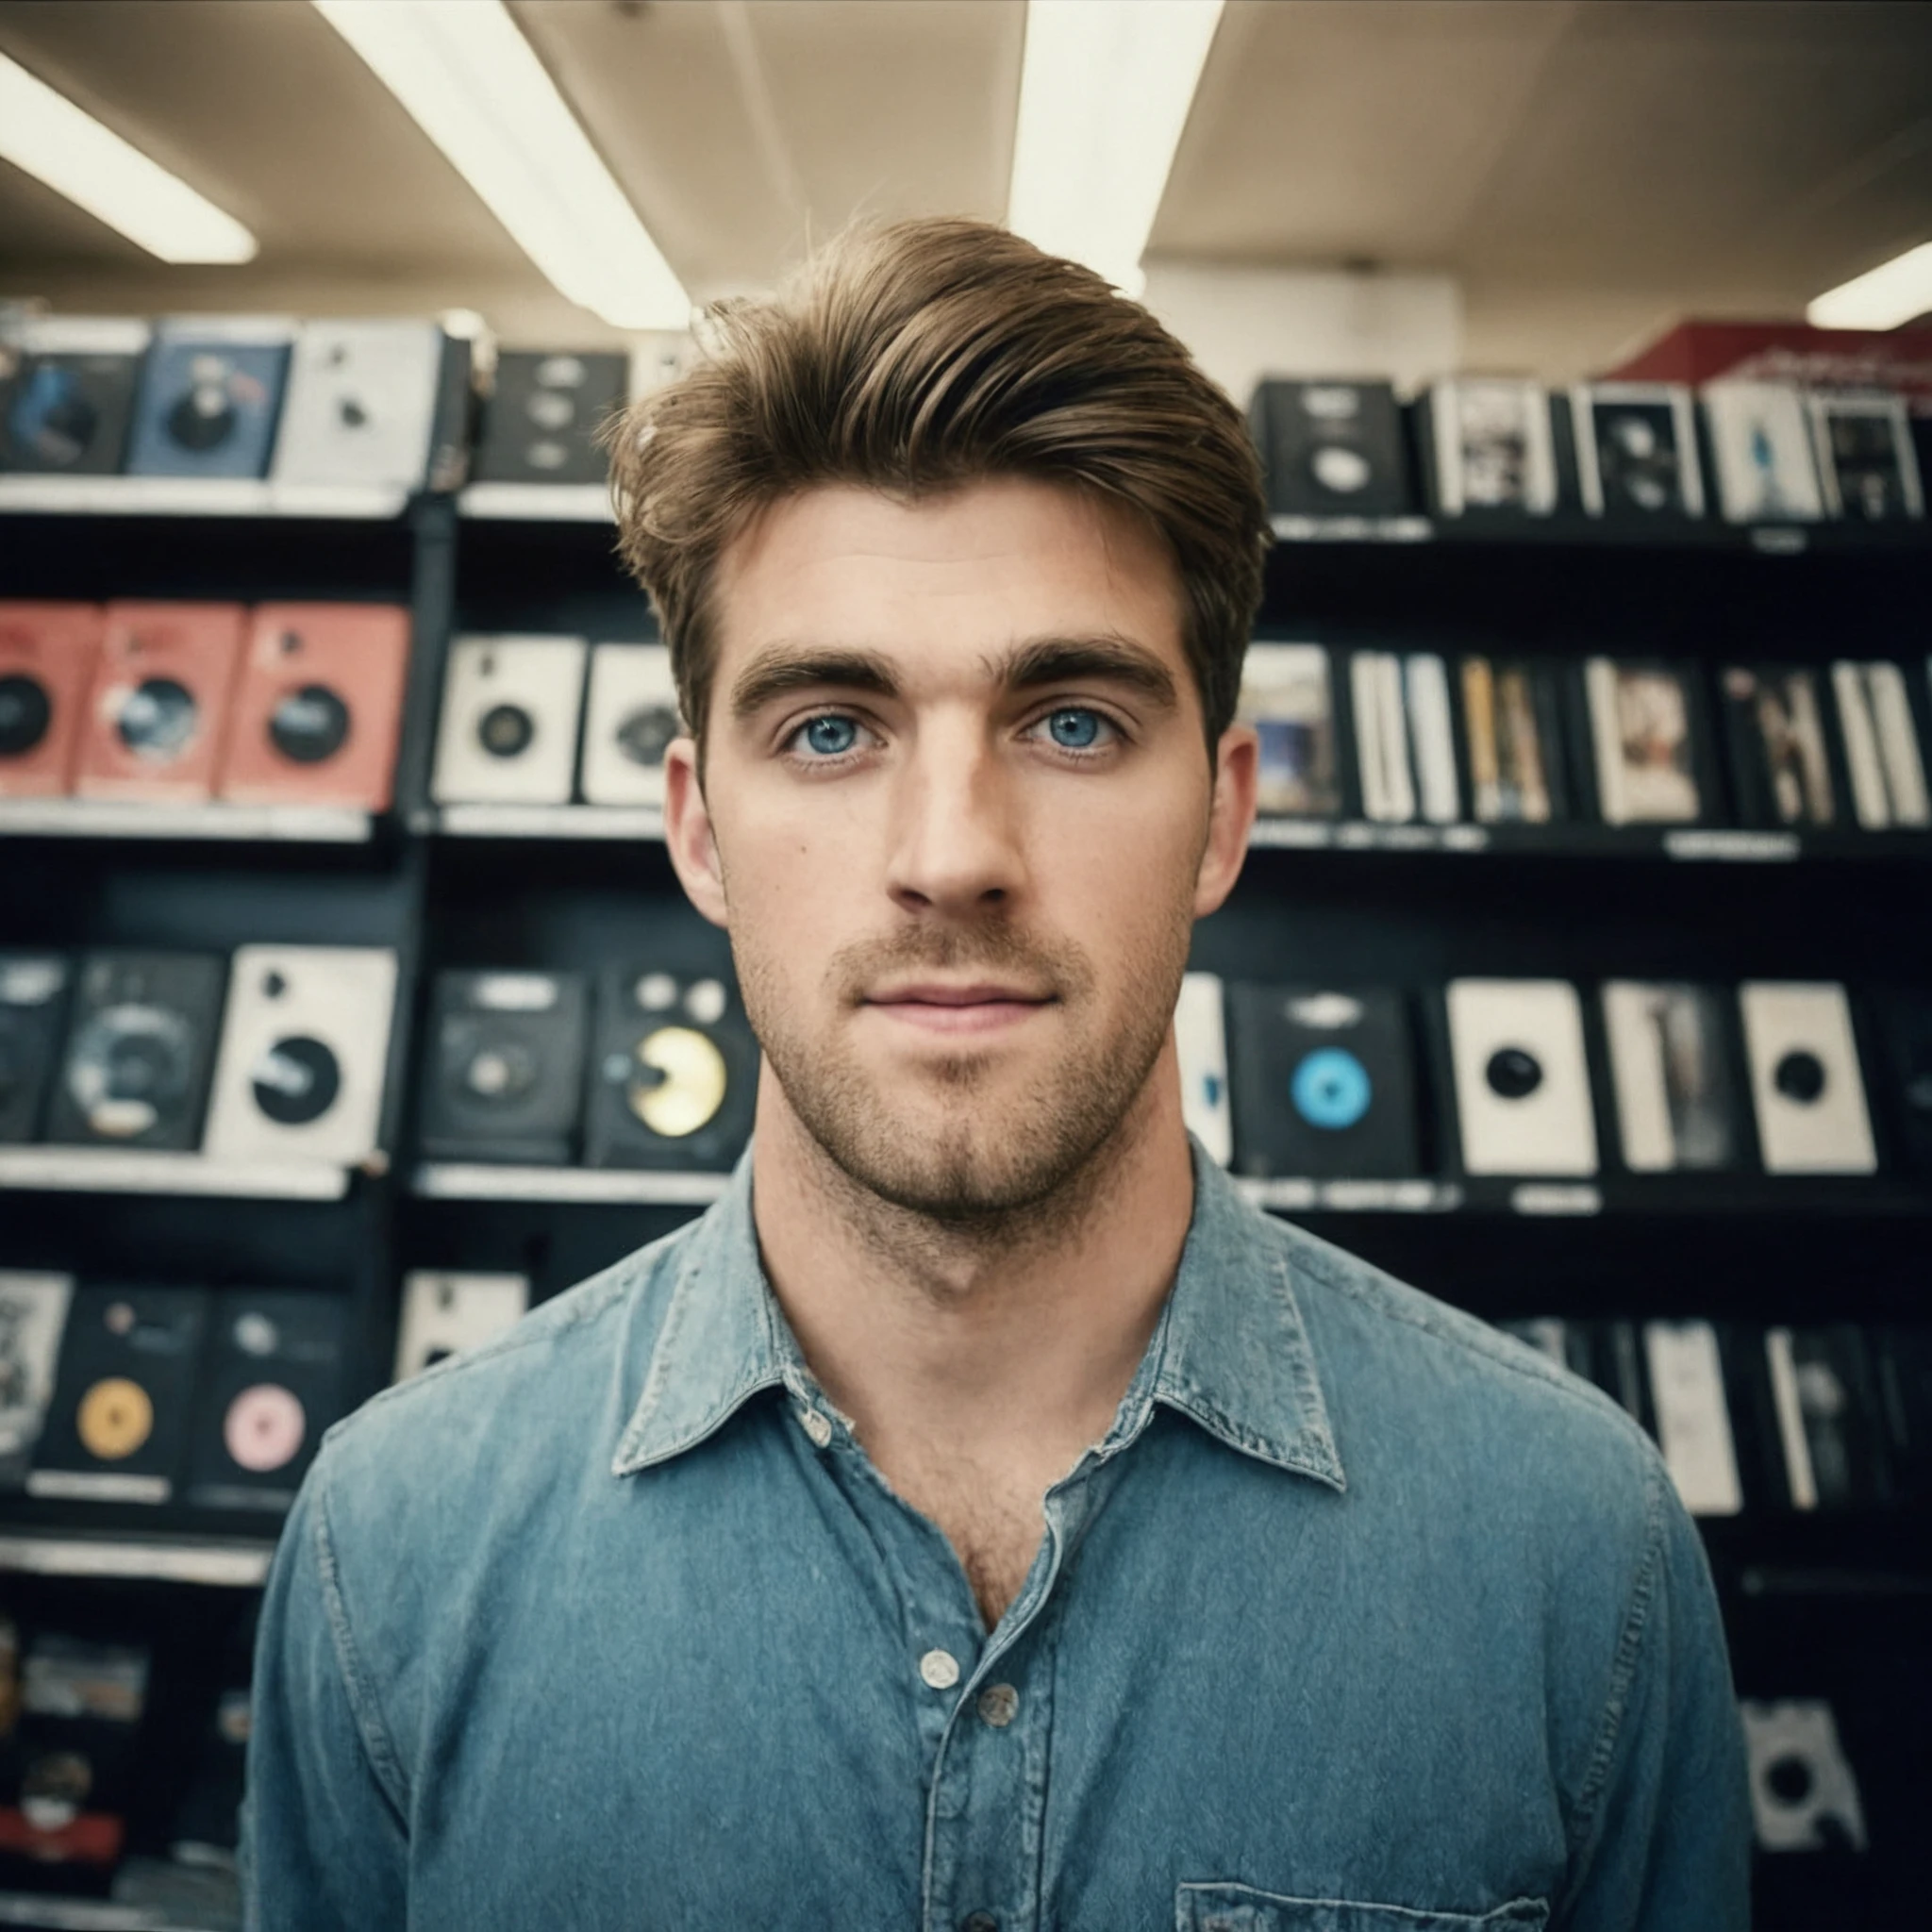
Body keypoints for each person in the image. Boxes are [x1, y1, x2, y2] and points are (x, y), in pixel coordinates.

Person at [242, 219, 1751, 1928]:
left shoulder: (1573, 1554)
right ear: (701, 832)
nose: (953, 855)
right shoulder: (398, 1545)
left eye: (1074, 721)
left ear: (1225, 814)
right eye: (829, 728)